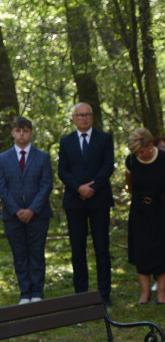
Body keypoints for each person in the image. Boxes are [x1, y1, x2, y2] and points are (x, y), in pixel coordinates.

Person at [58, 103, 114, 304]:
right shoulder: (66, 141)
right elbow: (62, 170)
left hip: (99, 200)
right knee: (77, 248)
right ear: (73, 118)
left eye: (87, 114)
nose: (84, 118)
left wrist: (92, 188)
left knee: (102, 248)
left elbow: (108, 166)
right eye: (80, 115)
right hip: (75, 202)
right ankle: (81, 294)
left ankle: (104, 294)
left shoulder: (105, 138)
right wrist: (79, 188)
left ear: (92, 117)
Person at [126, 128, 165, 304]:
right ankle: (145, 293)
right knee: (141, 250)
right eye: (138, 152)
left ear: (151, 145)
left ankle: (162, 291)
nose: (142, 154)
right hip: (140, 211)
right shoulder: (131, 161)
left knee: (162, 249)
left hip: (162, 210)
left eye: (144, 150)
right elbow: (130, 185)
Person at [0, 117, 53, 303]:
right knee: (19, 254)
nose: (21, 134)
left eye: (25, 130)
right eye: (17, 130)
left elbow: (46, 185)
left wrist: (31, 210)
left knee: (36, 253)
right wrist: (16, 210)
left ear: (31, 133)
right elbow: (2, 187)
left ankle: (37, 292)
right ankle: (25, 292)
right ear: (12, 133)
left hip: (38, 215)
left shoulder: (43, 157)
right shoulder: (3, 158)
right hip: (12, 216)